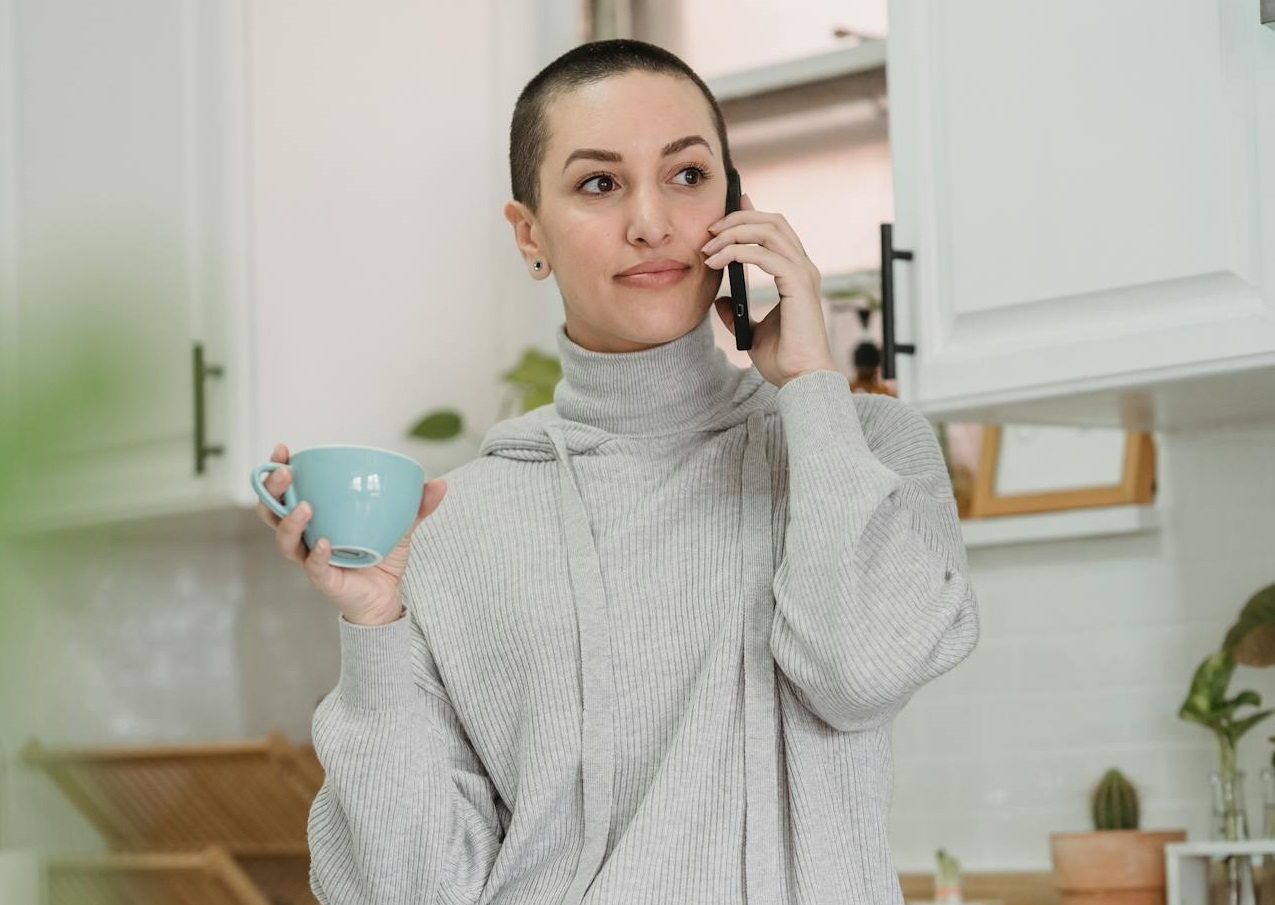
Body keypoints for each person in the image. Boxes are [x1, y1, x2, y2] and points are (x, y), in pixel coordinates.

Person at [256, 39, 979, 905]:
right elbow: (406, 890)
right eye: (599, 183)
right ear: (530, 235)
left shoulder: (862, 448)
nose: (650, 221)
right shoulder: (447, 522)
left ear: (735, 204)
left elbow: (858, 674)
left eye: (687, 175)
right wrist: (375, 623)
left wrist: (813, 390)